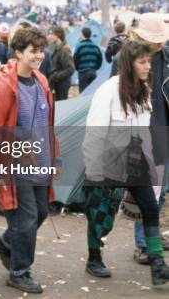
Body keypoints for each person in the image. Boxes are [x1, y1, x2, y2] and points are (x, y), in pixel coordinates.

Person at [82, 40, 169, 286]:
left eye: (149, 62)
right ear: (129, 64)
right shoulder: (108, 91)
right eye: (142, 62)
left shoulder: (144, 90)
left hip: (135, 161)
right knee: (101, 217)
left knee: (151, 208)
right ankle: (94, 258)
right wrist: (94, 171)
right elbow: (95, 134)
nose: (148, 67)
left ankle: (157, 263)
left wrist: (150, 164)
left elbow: (143, 134)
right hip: (108, 160)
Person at [0, 27, 61, 294]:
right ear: (18, 52)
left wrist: (56, 157)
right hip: (14, 164)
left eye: (41, 50)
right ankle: (19, 272)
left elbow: (47, 124)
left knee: (39, 213)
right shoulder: (4, 87)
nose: (39, 55)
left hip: (40, 161)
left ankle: (6, 243)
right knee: (25, 219)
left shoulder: (41, 80)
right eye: (33, 51)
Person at [127, 15, 169, 264]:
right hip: (141, 133)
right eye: (156, 40)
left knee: (161, 190)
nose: (160, 44)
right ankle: (142, 243)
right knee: (146, 193)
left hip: (163, 129)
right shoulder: (129, 59)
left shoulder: (166, 57)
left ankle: (152, 236)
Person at [47, 26, 74, 101]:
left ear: (58, 35)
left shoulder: (65, 49)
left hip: (63, 83)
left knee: (61, 104)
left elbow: (70, 69)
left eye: (51, 34)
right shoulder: (58, 48)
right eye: (48, 34)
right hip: (58, 83)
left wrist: (55, 76)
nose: (49, 36)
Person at [73, 27, 103, 93]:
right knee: (92, 92)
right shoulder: (95, 46)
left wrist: (77, 68)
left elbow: (75, 59)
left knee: (83, 93)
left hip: (83, 72)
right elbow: (100, 59)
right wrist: (95, 68)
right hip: (93, 72)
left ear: (82, 34)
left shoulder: (79, 46)